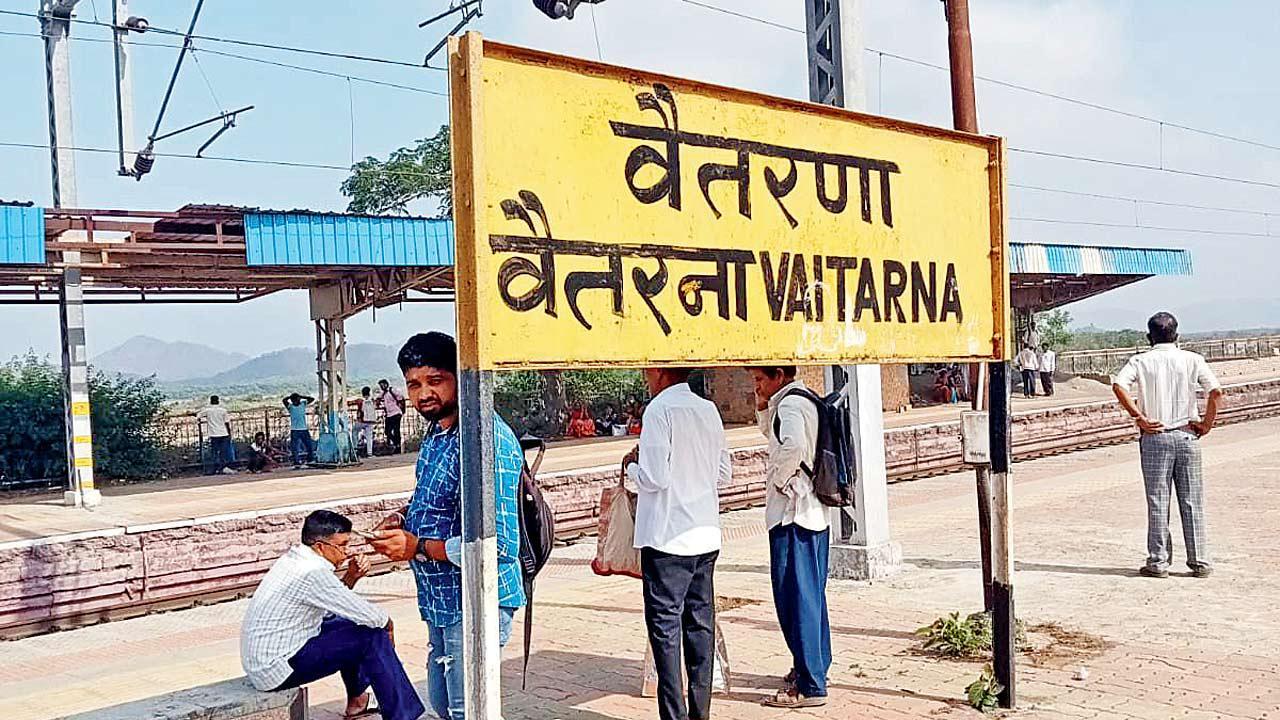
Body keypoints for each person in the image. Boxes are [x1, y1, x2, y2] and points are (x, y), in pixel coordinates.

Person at [368, 332, 525, 720]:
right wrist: (403, 518)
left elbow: (500, 543)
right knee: (445, 704)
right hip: (440, 600)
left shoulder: (485, 439)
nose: (423, 394)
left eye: (435, 381)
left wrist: (416, 546)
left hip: (475, 600)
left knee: (466, 710)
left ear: (461, 377)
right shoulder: (439, 434)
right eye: (414, 384)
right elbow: (437, 497)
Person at [240, 510, 424, 720]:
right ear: (320, 546)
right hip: (276, 669)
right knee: (371, 635)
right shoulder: (313, 573)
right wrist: (389, 626)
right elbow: (373, 616)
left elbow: (332, 608)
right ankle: (404, 715)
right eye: (342, 546)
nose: (346, 553)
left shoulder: (297, 559)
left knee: (350, 625)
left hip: (268, 660)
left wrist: (352, 576)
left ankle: (358, 701)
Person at [621, 367, 731, 720]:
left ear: (658, 372)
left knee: (665, 633)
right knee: (700, 626)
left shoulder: (658, 410)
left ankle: (673, 714)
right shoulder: (709, 409)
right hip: (704, 535)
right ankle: (701, 712)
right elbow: (724, 474)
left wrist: (632, 470)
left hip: (667, 540)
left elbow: (655, 476)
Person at [1112, 312, 1222, 579]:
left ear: (1149, 337)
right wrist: (1206, 424)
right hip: (1187, 436)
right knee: (1192, 500)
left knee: (1158, 500)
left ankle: (1159, 562)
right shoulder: (1193, 360)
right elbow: (1216, 392)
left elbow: (1118, 385)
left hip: (1155, 437)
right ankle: (1200, 561)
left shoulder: (1140, 361)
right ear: (1177, 335)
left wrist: (1139, 417)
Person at [748, 366, 830, 709]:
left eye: (759, 379)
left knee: (795, 600)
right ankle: (813, 666)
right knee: (811, 598)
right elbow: (772, 431)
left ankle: (810, 686)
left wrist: (782, 481)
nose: (756, 385)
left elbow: (792, 446)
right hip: (811, 517)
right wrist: (763, 402)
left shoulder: (791, 407)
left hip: (792, 517)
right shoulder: (801, 399)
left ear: (779, 374)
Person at [196, 395, 235, 475]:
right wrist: (229, 433)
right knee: (223, 452)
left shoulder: (208, 411)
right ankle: (223, 467)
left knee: (214, 452)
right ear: (218, 401)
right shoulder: (223, 410)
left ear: (210, 401)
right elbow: (227, 423)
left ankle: (215, 468)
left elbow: (198, 415)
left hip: (214, 434)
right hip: (223, 433)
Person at [283, 393, 316, 468]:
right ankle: (296, 462)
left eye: (297, 399)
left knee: (309, 445)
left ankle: (310, 460)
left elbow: (312, 399)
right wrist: (290, 397)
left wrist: (301, 396)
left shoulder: (303, 404)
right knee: (295, 447)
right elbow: (284, 400)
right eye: (295, 400)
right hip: (295, 429)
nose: (296, 401)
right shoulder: (290, 407)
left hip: (303, 428)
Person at [378, 379, 407, 454]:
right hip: (389, 414)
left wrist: (402, 408)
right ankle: (396, 444)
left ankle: (397, 446)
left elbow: (401, 397)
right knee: (387, 431)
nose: (382, 387)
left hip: (396, 413)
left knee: (396, 430)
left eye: (382, 385)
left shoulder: (392, 391)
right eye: (380, 385)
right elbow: (378, 398)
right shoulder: (383, 394)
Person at [355, 386, 378, 457]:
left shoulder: (361, 401)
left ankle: (355, 448)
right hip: (371, 421)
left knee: (354, 431)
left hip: (362, 421)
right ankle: (369, 453)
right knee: (369, 437)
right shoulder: (372, 401)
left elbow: (360, 410)